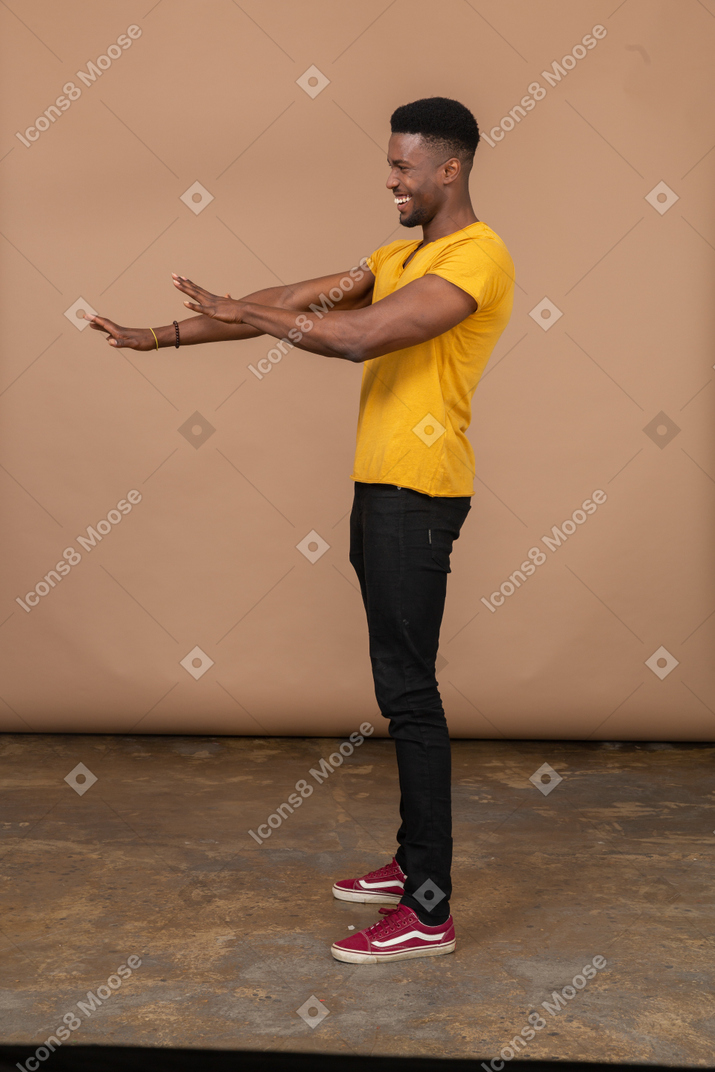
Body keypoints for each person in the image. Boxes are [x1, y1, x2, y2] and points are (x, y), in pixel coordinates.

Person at [87, 96, 515, 965]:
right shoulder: (398, 254)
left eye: (402, 166)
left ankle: (428, 908)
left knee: (409, 695)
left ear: (449, 169)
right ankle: (409, 867)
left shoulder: (477, 257)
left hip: (419, 493)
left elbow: (360, 338)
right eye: (388, 162)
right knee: (399, 685)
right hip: (380, 489)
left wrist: (257, 314)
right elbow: (287, 298)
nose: (388, 177)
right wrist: (163, 335)